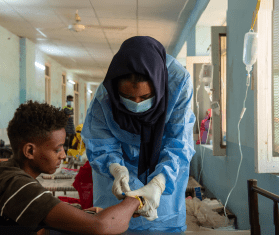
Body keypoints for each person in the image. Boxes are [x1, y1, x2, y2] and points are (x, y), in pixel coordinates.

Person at [81, 36, 196, 233]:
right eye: (127, 97)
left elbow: (178, 143)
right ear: (116, 90)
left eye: (144, 97)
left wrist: (159, 183)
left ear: (159, 88)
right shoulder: (105, 96)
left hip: (164, 177)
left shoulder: (177, 84)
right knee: (115, 223)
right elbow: (100, 144)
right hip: (116, 184)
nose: (136, 104)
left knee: (162, 223)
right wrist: (116, 168)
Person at [0, 100, 143, 235]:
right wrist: (136, 200)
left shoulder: (11, 175)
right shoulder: (15, 184)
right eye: (58, 149)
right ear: (30, 151)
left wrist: (84, 213)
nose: (63, 155)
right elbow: (101, 226)